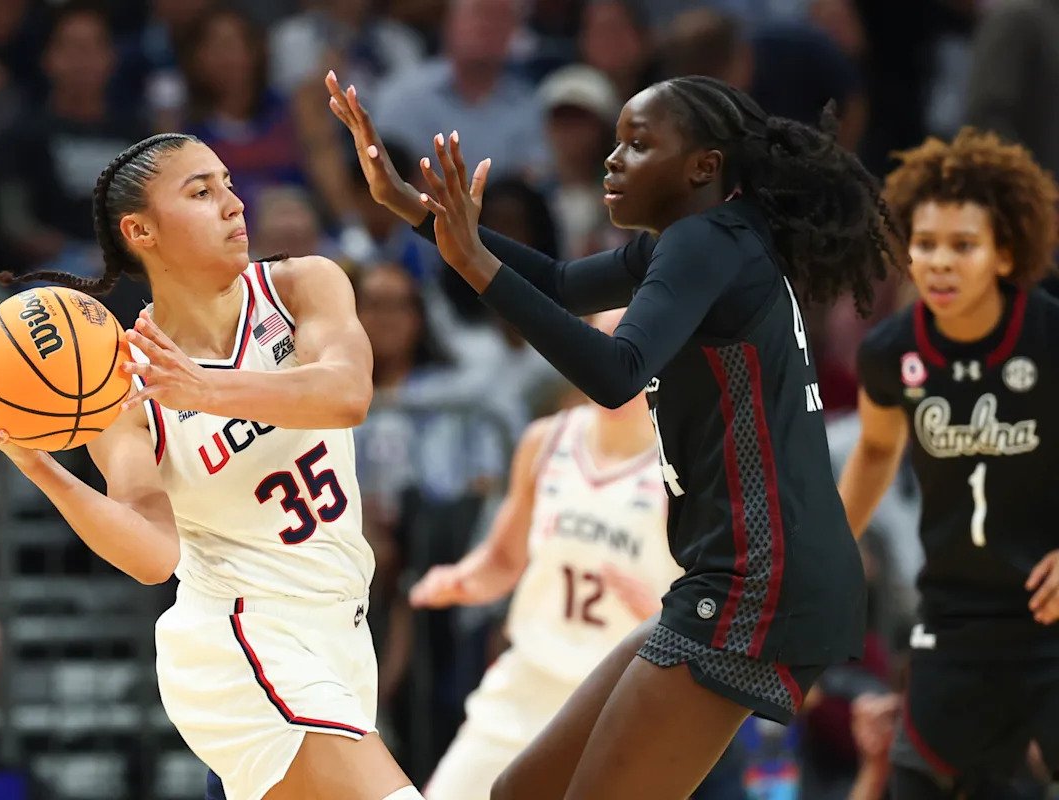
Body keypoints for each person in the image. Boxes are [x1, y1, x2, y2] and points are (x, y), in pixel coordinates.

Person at [326, 70, 903, 798]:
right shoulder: (698, 242)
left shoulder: (707, 243)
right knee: (519, 792)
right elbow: (562, 283)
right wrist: (419, 211)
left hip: (762, 583)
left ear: (703, 166)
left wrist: (471, 260)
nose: (612, 159)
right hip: (732, 578)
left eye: (637, 144)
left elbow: (615, 372)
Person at [0, 132, 426, 800]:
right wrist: (34, 464)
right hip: (241, 634)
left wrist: (207, 391)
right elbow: (152, 553)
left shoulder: (303, 285)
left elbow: (346, 396)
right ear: (140, 230)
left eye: (229, 184)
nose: (233, 204)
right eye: (201, 191)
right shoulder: (123, 383)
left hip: (342, 633)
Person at [409, 310, 745, 800]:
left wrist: (661, 615)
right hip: (525, 687)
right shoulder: (546, 441)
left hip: (620, 702)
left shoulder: (692, 465)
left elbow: (723, 613)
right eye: (598, 345)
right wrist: (462, 579)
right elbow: (503, 560)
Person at [839, 127, 1059, 798]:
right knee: (918, 781)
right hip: (954, 618)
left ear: (1006, 251)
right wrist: (822, 548)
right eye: (926, 244)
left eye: (962, 245)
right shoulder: (889, 351)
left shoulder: (1051, 337)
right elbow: (877, 448)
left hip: (1051, 616)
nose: (939, 262)